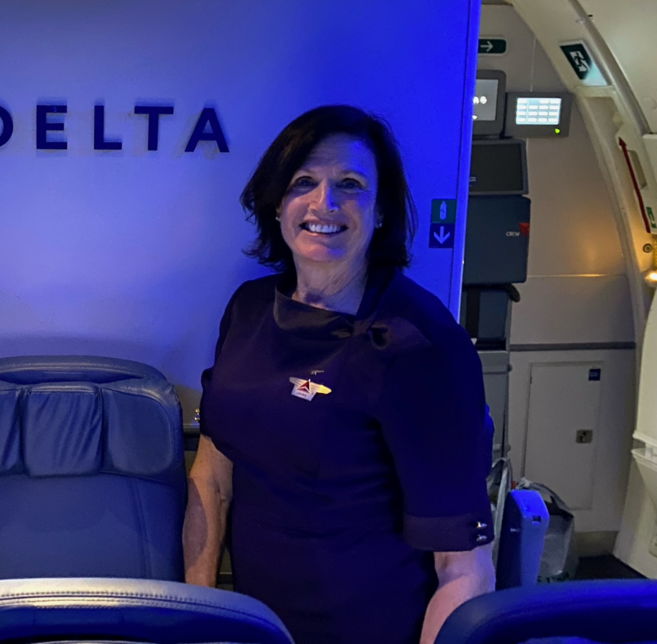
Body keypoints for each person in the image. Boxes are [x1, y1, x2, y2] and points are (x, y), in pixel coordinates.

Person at [184, 105, 495, 644]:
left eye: (350, 184)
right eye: (303, 181)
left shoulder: (420, 343)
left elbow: (463, 568)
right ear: (277, 201)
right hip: (256, 628)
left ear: (379, 212)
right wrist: (203, 620)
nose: (324, 203)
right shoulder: (249, 309)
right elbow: (212, 476)